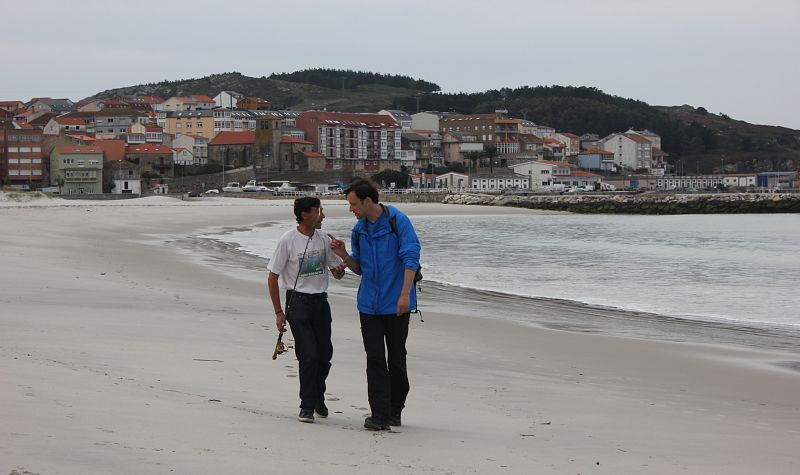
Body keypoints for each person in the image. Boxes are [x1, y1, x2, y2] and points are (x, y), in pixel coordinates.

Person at [328, 179, 421, 431]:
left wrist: (404, 295)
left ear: (368, 201)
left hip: (397, 302)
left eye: (353, 204)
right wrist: (344, 256)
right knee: (375, 359)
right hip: (369, 304)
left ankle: (395, 410)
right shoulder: (359, 230)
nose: (351, 209)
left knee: (397, 358)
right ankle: (379, 414)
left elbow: (411, 257)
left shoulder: (397, 221)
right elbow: (360, 268)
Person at [267, 197, 346, 423]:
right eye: (318, 211)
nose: (323, 216)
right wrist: (278, 313)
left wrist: (341, 264)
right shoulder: (288, 240)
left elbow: (336, 273)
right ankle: (307, 405)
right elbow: (272, 277)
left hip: (321, 302)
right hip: (297, 302)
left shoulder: (324, 238)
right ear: (304, 215)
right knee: (308, 354)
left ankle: (318, 396)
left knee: (325, 356)